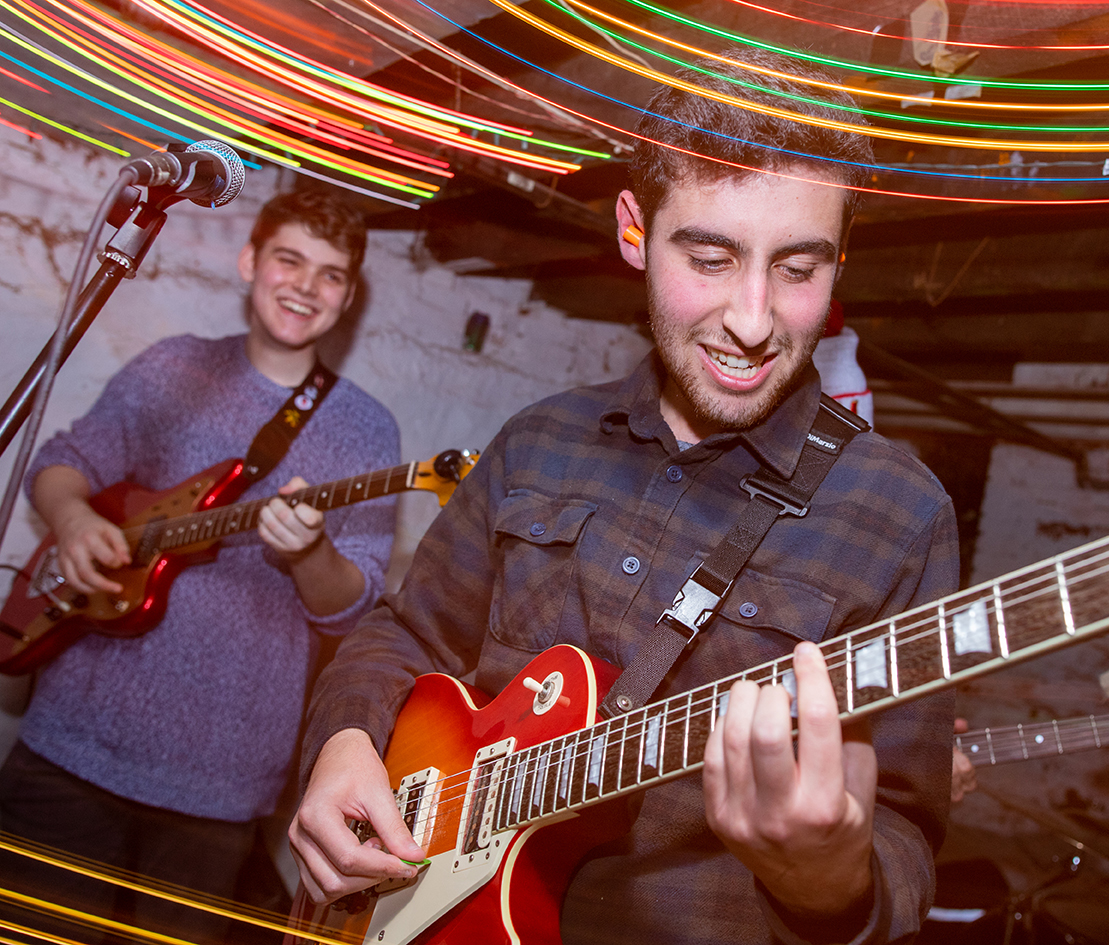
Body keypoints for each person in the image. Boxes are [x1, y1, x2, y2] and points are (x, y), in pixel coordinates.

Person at [289, 49, 960, 945]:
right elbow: (405, 634)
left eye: (798, 270)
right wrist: (342, 743)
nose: (752, 319)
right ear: (634, 231)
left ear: (840, 258)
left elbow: (906, 828)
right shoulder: (539, 438)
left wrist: (830, 886)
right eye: (710, 258)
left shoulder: (902, 513)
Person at [0, 190, 401, 942]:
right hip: (71, 747)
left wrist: (309, 551)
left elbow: (351, 608)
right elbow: (62, 461)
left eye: (331, 275)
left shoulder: (369, 431)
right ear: (250, 262)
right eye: (288, 260)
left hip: (221, 786)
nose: (305, 287)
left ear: (348, 296)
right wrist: (74, 518)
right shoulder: (174, 364)